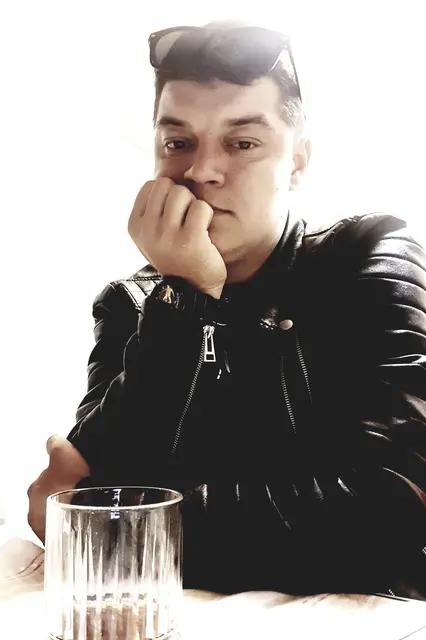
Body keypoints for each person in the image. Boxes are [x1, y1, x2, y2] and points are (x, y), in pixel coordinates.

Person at [28, 22, 426, 599]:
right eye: (177, 142)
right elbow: (88, 487)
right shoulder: (132, 303)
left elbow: (394, 508)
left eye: (243, 144)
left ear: (297, 162)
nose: (200, 171)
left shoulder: (367, 256)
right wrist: (185, 296)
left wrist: (123, 532)